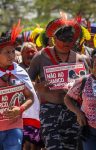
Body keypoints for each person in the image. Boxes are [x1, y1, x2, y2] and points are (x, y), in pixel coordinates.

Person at [28, 17, 89, 150]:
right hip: (49, 110)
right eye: (63, 39)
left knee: (71, 147)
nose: (67, 42)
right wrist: (38, 86)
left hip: (73, 110)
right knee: (53, 146)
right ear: (54, 39)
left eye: (70, 39)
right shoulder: (40, 57)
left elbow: (89, 84)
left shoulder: (80, 59)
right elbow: (27, 82)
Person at [0, 21, 35, 150]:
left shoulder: (18, 72)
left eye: (12, 51)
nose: (11, 56)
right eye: (6, 52)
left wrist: (19, 109)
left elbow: (30, 97)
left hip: (14, 128)